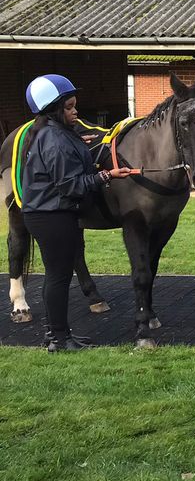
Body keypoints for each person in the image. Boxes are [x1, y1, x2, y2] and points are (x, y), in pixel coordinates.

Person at [19, 74, 133, 352]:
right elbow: (70, 186)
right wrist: (107, 175)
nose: (75, 111)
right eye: (69, 107)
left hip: (49, 213)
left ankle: (58, 334)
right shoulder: (54, 139)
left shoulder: (54, 133)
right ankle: (58, 339)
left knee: (57, 275)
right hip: (52, 216)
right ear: (55, 109)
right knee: (58, 276)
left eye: (74, 106)